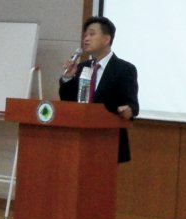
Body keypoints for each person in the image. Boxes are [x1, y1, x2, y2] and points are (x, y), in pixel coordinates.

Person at [59, 15, 139, 163]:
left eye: (92, 34)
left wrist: (128, 110)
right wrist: (68, 78)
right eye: (85, 35)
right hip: (79, 140)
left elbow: (133, 105)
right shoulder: (81, 67)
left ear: (107, 39)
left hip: (108, 141)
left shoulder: (124, 69)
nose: (86, 39)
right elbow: (68, 102)